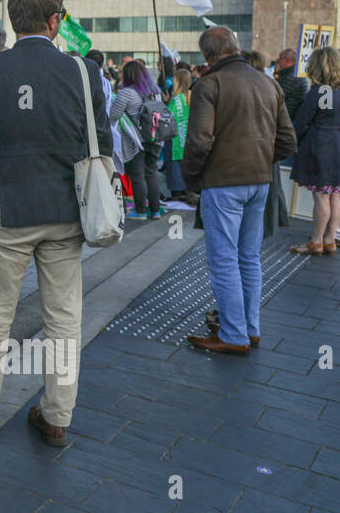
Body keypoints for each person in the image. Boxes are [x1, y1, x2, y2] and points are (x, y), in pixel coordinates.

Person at [0, 0, 112, 447]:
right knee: (64, 317)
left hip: (7, 209)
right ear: (54, 20)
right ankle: (57, 415)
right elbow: (101, 144)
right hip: (67, 211)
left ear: (12, 20)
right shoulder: (84, 72)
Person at [182, 27, 295, 355]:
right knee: (248, 257)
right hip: (260, 182)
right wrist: (258, 160)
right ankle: (249, 328)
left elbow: (199, 141)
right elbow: (288, 140)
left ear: (207, 55)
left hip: (224, 183)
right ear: (235, 48)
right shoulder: (269, 82)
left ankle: (233, 335)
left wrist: (192, 179)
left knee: (224, 260)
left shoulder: (209, 85)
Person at [287, 46, 340, 256]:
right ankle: (330, 239)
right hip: (338, 144)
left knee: (321, 197)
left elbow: (302, 121)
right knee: (334, 194)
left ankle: (316, 241)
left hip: (319, 145)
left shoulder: (319, 90)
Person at [110, 59, 164, 220]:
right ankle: (155, 210)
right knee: (150, 173)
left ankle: (140, 211)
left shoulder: (127, 93)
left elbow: (113, 115)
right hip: (155, 139)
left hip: (136, 142)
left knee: (137, 176)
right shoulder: (156, 91)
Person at [165, 68, 192, 199]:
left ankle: (176, 191)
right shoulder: (191, 96)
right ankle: (186, 189)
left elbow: (167, 116)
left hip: (174, 139)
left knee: (174, 165)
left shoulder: (175, 99)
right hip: (188, 138)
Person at [274, 48, 309, 120]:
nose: (278, 61)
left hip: (287, 118)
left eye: (280, 58)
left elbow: (276, 97)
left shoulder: (290, 77)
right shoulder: (294, 74)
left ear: (288, 60)